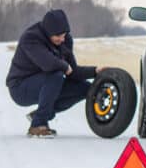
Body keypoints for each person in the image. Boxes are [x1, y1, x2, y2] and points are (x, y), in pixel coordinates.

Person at [6, 9, 103, 137]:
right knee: (56, 75)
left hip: (47, 82)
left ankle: (39, 115)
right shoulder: (30, 38)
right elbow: (48, 64)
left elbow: (72, 72)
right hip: (20, 87)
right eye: (58, 36)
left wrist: (95, 71)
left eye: (64, 35)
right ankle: (37, 125)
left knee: (85, 88)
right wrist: (64, 66)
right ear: (48, 32)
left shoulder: (65, 40)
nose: (62, 39)